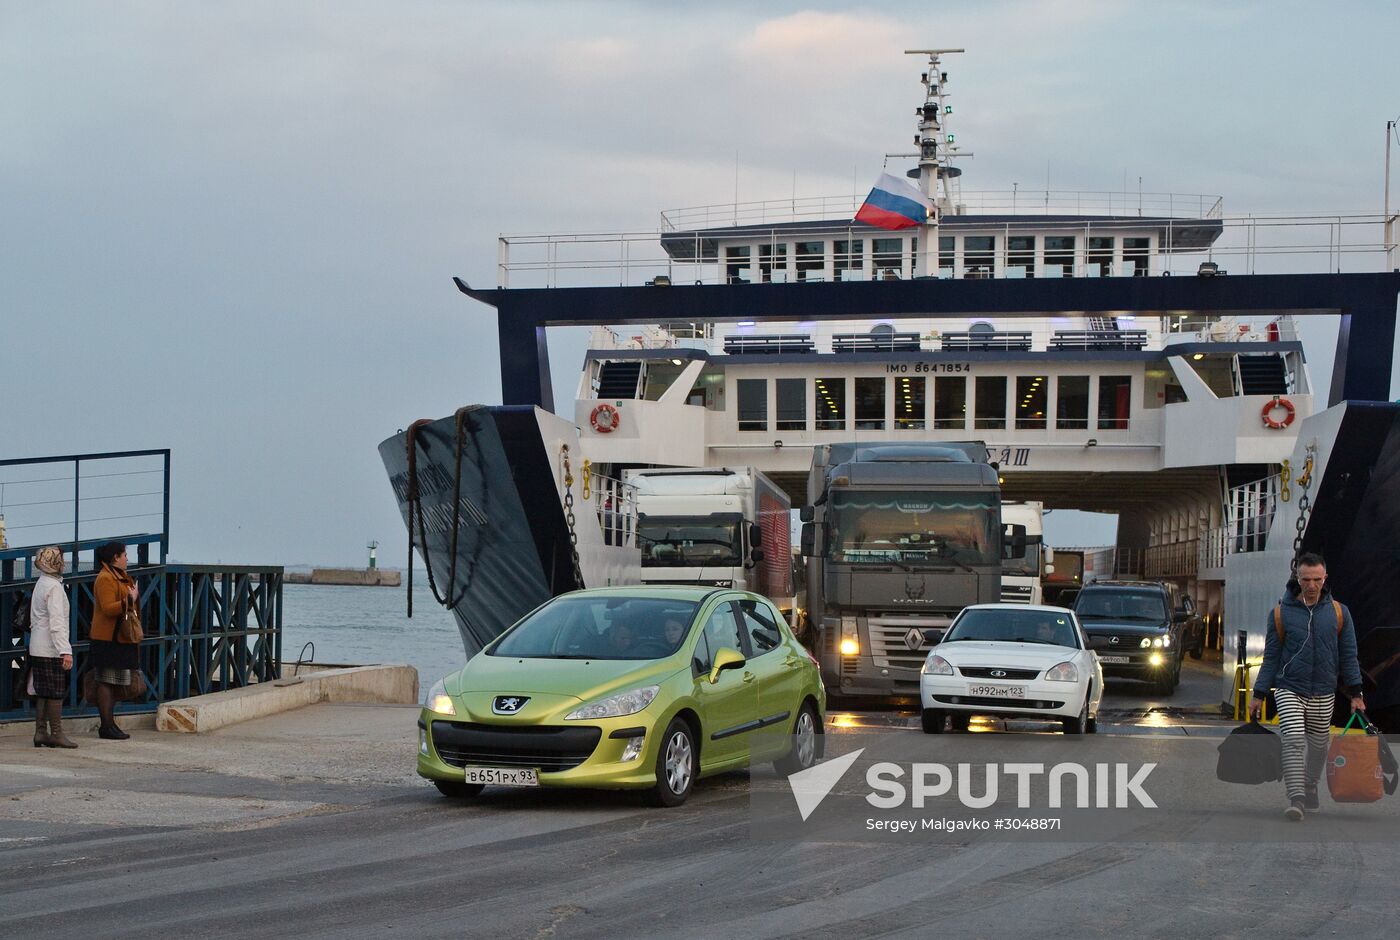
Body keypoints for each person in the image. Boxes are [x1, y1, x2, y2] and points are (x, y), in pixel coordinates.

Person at [1249, 552, 1364, 821]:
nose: (1311, 586)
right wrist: (1259, 694)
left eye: (1316, 579)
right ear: (1297, 579)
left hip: (1324, 690)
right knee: (1293, 739)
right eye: (1306, 579)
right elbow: (1271, 657)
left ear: (1325, 579)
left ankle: (1311, 784)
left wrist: (1356, 693)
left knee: (1319, 746)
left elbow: (1349, 655)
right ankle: (1297, 798)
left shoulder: (1339, 612)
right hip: (1290, 687)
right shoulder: (1280, 613)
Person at [89, 541, 141, 740]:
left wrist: (131, 597)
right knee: (106, 681)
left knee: (115, 682)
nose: (127, 558)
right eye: (124, 554)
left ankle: (110, 723)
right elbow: (108, 608)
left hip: (120, 637)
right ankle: (106, 725)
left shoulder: (121, 577)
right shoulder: (105, 578)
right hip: (107, 639)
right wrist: (130, 599)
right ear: (115, 557)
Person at [28, 546, 77, 748]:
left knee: (43, 691)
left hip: (36, 645)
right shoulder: (54, 587)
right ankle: (56, 733)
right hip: (50, 648)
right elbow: (57, 623)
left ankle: (41, 732)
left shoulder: (41, 583)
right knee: (56, 691)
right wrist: (65, 650)